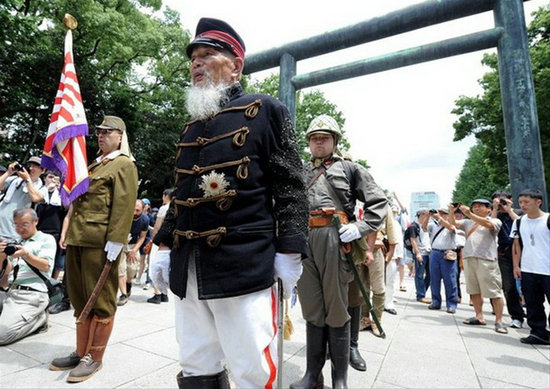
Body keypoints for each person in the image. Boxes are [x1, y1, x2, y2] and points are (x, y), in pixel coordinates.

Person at [167, 18, 308, 388]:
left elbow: (291, 186)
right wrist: (163, 245)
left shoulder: (266, 110)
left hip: (243, 263)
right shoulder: (190, 126)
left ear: (236, 65)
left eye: (207, 55)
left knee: (250, 367)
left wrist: (290, 251)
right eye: (193, 57)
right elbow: (180, 192)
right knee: (195, 361)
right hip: (190, 264)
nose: (196, 63)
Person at [293, 115, 387, 388]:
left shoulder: (349, 168)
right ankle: (313, 375)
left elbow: (378, 201)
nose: (318, 142)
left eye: (324, 138)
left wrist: (361, 227)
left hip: (336, 237)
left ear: (334, 140)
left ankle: (340, 379)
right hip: (304, 237)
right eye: (313, 138)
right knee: (312, 306)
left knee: (336, 306)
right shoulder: (301, 171)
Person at [49, 115, 138, 382]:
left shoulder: (123, 165)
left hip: (100, 242)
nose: (101, 136)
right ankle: (81, 351)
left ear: (120, 136)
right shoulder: (95, 164)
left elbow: (124, 203)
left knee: (100, 300)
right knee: (79, 297)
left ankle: (94, 357)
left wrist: (116, 239)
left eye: (108, 132)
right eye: (99, 132)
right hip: (79, 237)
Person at [0, 208, 56, 345]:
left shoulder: (46, 239)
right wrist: (2, 256)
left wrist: (26, 254)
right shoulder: (16, 242)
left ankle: (40, 318)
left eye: (24, 224)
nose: (20, 228)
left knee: (1, 336)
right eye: (16, 225)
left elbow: (46, 266)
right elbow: (6, 273)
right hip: (10, 292)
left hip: (31, 295)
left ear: (35, 222)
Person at [450, 199, 507, 334]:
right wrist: (451, 212)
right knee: (474, 290)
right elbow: (453, 224)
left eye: (480, 206)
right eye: (474, 206)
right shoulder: (468, 222)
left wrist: (469, 214)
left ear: (489, 209)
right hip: (469, 258)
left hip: (486, 260)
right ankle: (479, 316)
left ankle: (499, 320)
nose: (476, 208)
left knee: (494, 291)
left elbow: (487, 224)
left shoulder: (494, 221)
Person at [511, 189, 550, 345]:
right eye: (520, 202)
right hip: (528, 269)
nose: (523, 205)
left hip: (547, 269)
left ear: (538, 201)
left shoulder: (548, 219)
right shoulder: (519, 221)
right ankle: (538, 333)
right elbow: (516, 245)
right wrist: (516, 265)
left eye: (526, 202)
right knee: (533, 303)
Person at [491, 191, 524, 329]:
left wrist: (509, 210)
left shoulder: (520, 212)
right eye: (499, 201)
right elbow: (490, 226)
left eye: (504, 201)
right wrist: (494, 209)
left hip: (523, 251)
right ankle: (516, 316)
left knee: (530, 286)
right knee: (509, 287)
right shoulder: (496, 215)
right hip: (504, 252)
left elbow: (523, 224)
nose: (501, 204)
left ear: (511, 200)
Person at [423, 207, 459, 313]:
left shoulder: (451, 225)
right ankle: (435, 302)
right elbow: (423, 227)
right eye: (439, 213)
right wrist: (427, 216)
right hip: (434, 253)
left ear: (448, 215)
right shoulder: (433, 226)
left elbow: (452, 229)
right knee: (434, 279)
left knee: (450, 280)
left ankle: (452, 304)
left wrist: (440, 219)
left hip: (448, 253)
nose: (441, 215)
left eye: (444, 214)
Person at [0, 157, 45, 241]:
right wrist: (8, 172)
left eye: (35, 166)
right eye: (30, 165)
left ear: (43, 171)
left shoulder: (42, 188)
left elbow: (35, 198)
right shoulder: (14, 180)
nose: (31, 168)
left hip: (14, 234)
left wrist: (27, 179)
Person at [117, 199, 148, 306]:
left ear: (143, 209)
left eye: (138, 210)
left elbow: (142, 237)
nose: (134, 212)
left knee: (132, 270)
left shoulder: (145, 220)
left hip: (133, 245)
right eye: (133, 209)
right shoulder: (124, 215)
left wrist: (134, 250)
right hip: (120, 244)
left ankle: (128, 283)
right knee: (121, 270)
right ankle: (124, 294)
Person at [147, 188, 174, 304]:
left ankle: (157, 294)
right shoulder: (176, 207)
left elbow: (157, 227)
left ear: (166, 196)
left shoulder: (164, 208)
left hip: (161, 242)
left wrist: (152, 241)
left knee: (155, 268)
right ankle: (165, 294)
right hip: (171, 243)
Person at [405, 210, 431, 304]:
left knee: (430, 274)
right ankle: (421, 295)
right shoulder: (413, 226)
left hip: (429, 252)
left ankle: (421, 291)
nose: (427, 216)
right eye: (425, 214)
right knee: (419, 274)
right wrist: (417, 253)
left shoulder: (428, 224)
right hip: (420, 253)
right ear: (420, 215)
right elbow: (413, 240)